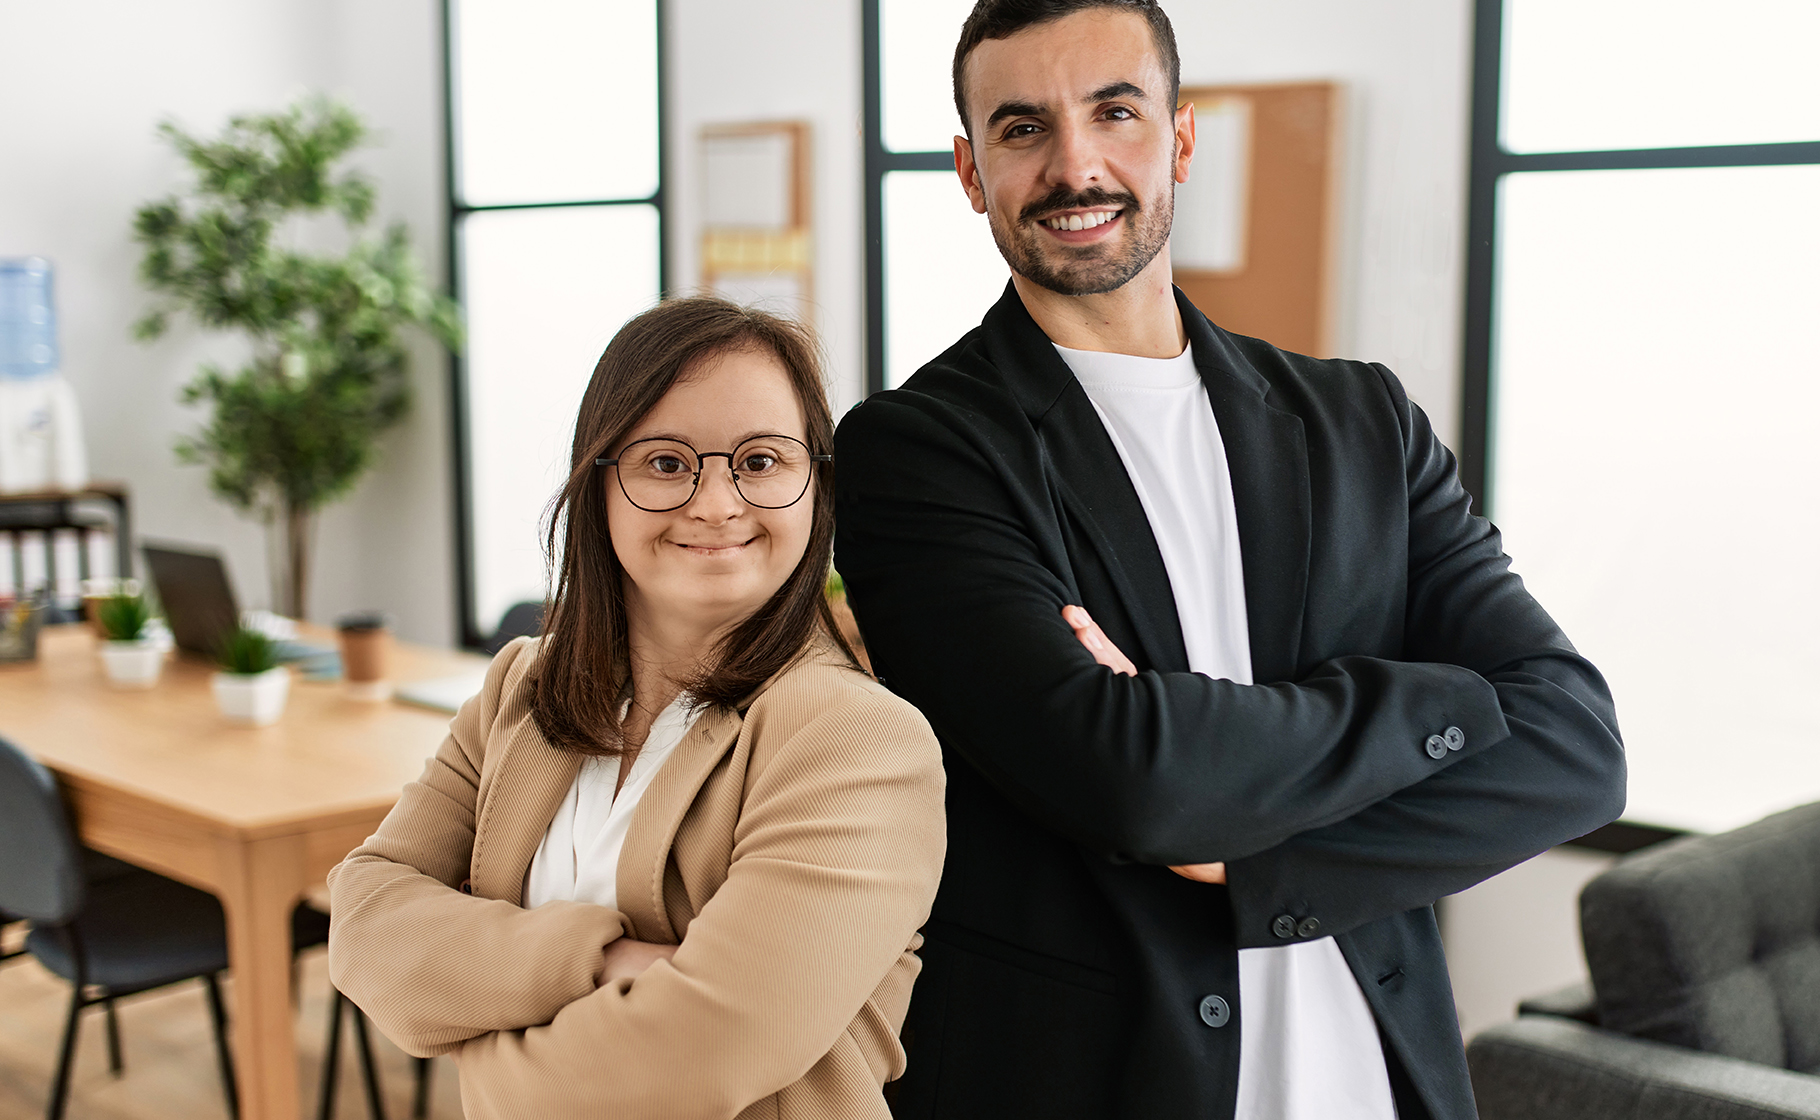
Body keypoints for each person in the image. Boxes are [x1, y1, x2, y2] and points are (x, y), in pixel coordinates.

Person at [831, 1, 1627, 1118]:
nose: (1076, 165)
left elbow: (1577, 749)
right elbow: (1137, 783)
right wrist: (1439, 703)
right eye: (1021, 130)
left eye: (1115, 112)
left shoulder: (1361, 422)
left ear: (1181, 137)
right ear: (970, 170)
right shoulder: (918, 449)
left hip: (1377, 1081)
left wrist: (1250, 849)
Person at [327, 298, 946, 1120]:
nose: (717, 503)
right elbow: (366, 919)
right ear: (598, 481)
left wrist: (475, 1051)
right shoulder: (522, 686)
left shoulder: (861, 743)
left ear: (816, 485)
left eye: (761, 461)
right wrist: (605, 957)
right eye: (665, 462)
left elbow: (705, 1050)